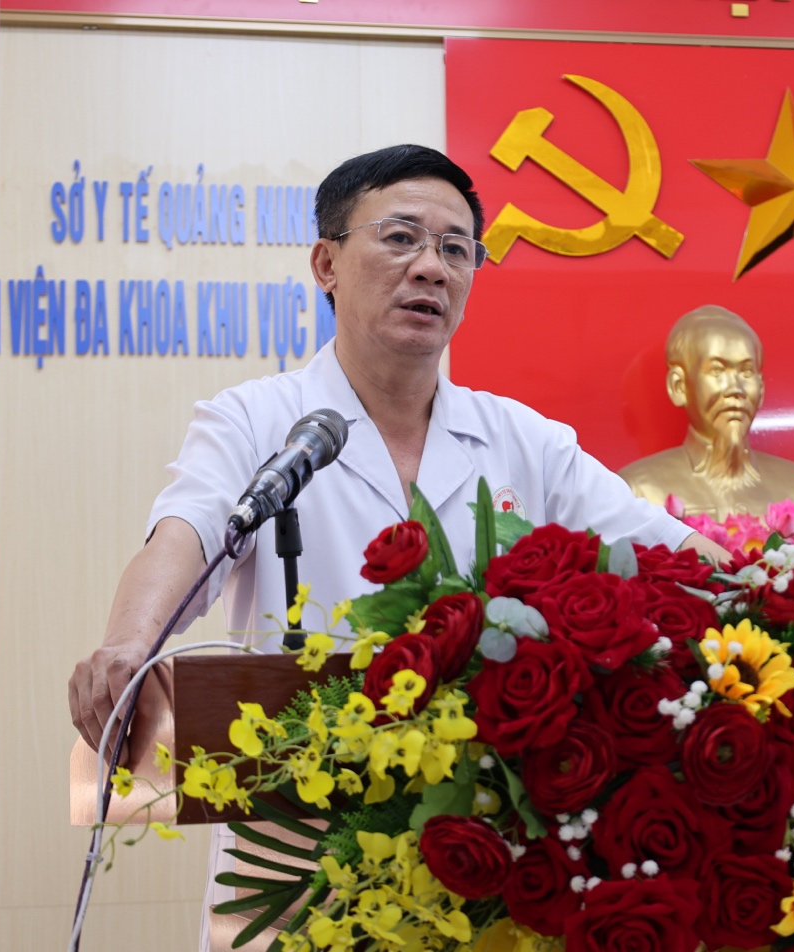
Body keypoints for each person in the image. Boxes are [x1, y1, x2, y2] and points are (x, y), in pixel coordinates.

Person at [66, 144, 728, 950]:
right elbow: (189, 532)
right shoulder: (255, 419)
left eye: (456, 249)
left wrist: (787, 592)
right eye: (402, 238)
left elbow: (676, 557)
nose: (431, 268)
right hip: (295, 869)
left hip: (482, 868)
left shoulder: (524, 440)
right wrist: (131, 644)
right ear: (327, 264)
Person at [619, 305, 794, 520]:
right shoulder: (638, 491)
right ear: (679, 386)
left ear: (761, 388)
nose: (735, 388)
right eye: (717, 370)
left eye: (746, 371)